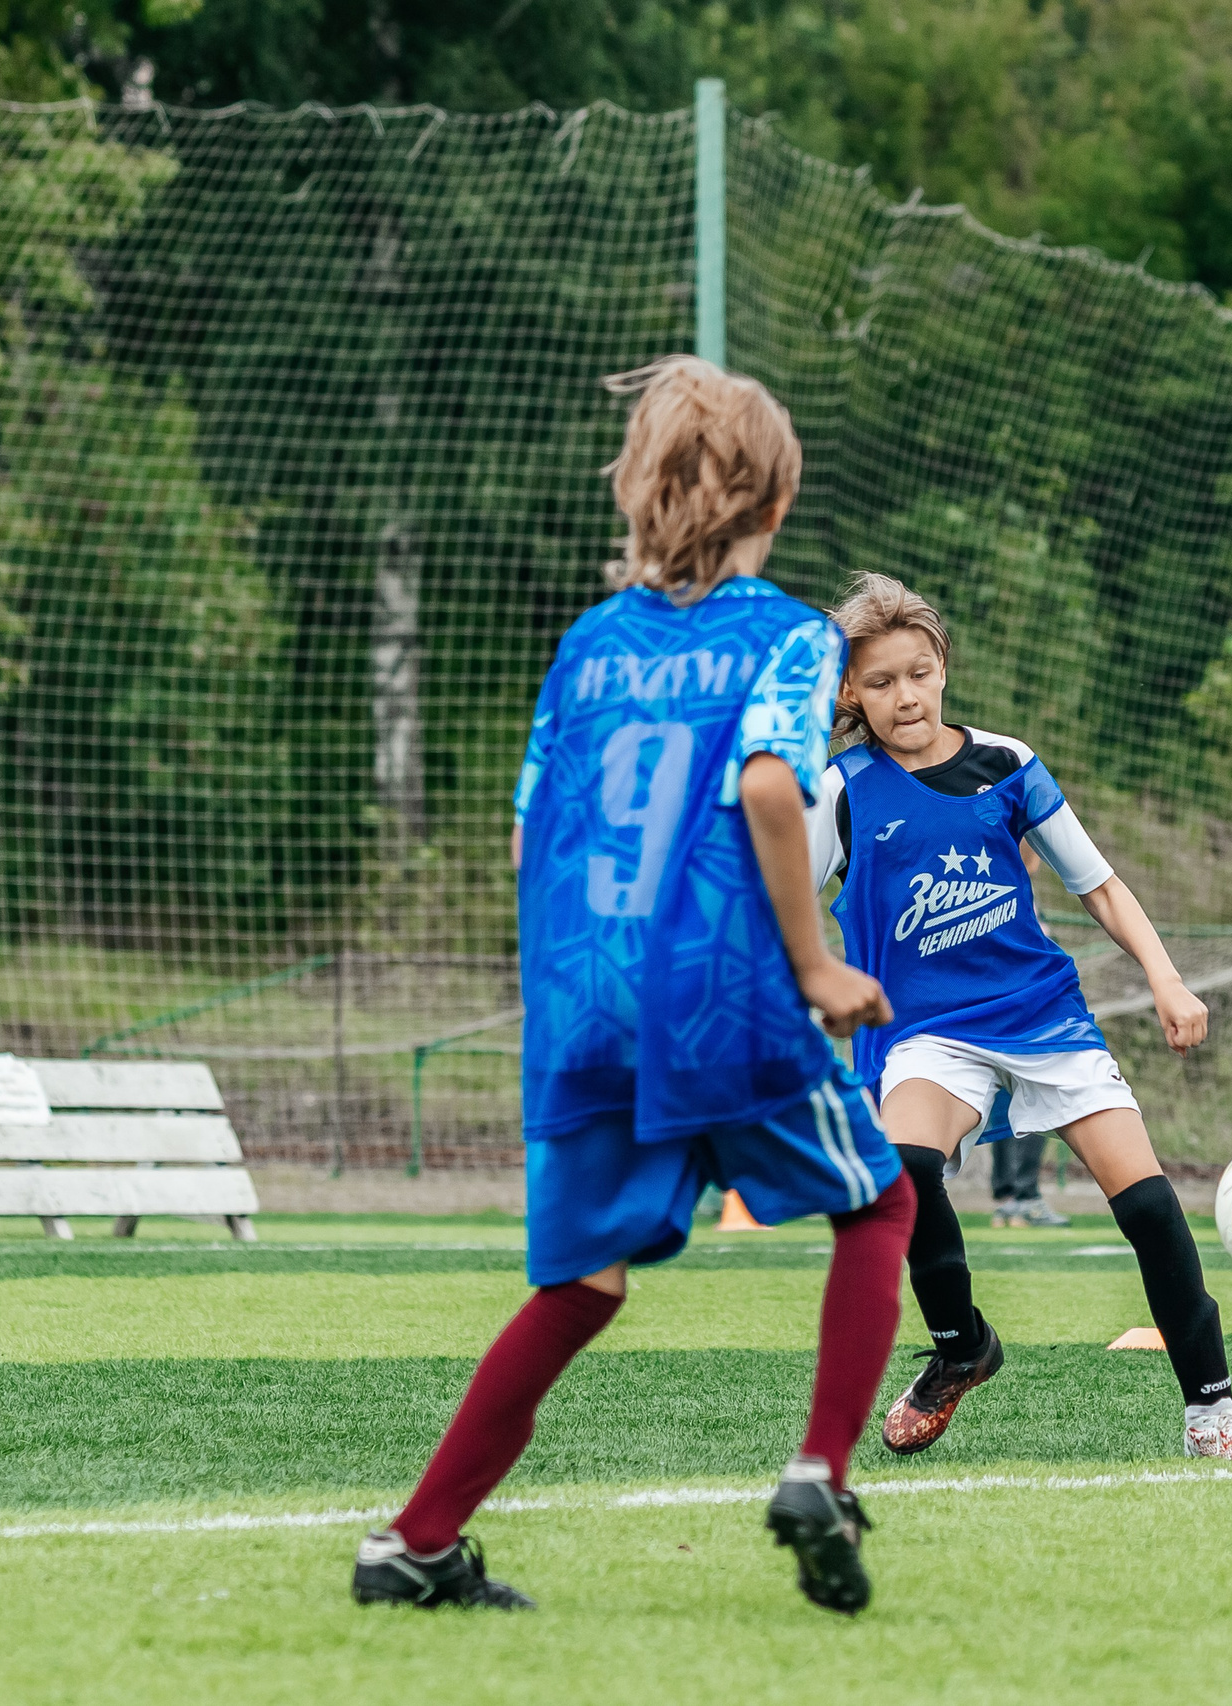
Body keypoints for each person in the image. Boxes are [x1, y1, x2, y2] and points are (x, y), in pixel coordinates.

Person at [351, 357, 916, 1617]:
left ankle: (417, 1541)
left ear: (636, 497)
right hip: (717, 990)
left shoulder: (586, 645)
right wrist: (816, 963)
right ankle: (822, 1468)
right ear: (773, 505)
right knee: (876, 1205)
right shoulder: (786, 633)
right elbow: (773, 785)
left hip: (580, 1002)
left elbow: (527, 833)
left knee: (581, 1283)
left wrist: (566, 987)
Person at [806, 572, 1232, 1462]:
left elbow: (1098, 884)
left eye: (917, 672)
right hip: (926, 1032)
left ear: (943, 665)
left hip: (1041, 1016)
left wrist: (1169, 980)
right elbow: (782, 908)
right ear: (848, 694)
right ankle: (961, 1351)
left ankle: (1214, 1416)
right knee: (904, 1167)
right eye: (879, 683)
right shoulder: (839, 789)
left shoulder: (1008, 763)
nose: (903, 696)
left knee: (1147, 1207)